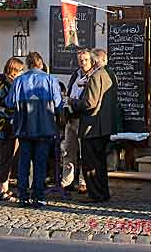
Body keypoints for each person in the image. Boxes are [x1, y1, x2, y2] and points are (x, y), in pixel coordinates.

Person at [6, 51, 62, 208]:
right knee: (40, 163)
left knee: (23, 162)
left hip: (24, 128)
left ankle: (23, 196)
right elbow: (58, 105)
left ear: (28, 64)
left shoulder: (18, 81)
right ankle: (39, 196)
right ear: (41, 63)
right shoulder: (50, 80)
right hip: (44, 128)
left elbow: (10, 103)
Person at [69, 47, 118, 202]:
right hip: (103, 126)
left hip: (92, 127)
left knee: (91, 164)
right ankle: (102, 193)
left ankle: (95, 194)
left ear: (95, 61)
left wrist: (72, 102)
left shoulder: (97, 76)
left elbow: (90, 103)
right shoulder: (109, 75)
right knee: (100, 163)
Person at [0, 57, 24, 200]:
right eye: (21, 70)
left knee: (9, 158)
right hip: (3, 127)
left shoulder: (12, 82)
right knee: (3, 158)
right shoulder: (2, 83)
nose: (22, 73)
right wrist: (12, 114)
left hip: (11, 127)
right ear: (14, 70)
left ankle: (5, 188)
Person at [61, 48, 93, 193]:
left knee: (83, 152)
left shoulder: (92, 76)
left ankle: (83, 182)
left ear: (91, 60)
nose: (83, 63)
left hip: (83, 118)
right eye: (80, 60)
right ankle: (67, 181)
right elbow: (70, 92)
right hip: (71, 117)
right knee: (68, 150)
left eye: (85, 60)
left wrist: (72, 101)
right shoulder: (76, 74)